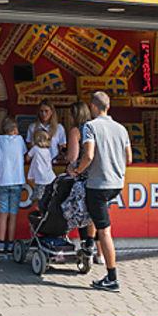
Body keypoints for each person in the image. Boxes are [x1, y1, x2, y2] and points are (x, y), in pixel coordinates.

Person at [71, 91, 131, 293]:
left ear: (93, 107)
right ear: (108, 106)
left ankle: (112, 276)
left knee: (104, 230)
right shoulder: (121, 129)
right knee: (96, 214)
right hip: (116, 183)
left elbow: (88, 155)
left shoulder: (90, 126)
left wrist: (77, 170)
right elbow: (128, 158)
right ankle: (89, 243)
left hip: (98, 183)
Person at [65, 100, 103, 264]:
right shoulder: (96, 128)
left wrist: (72, 166)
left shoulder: (76, 131)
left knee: (82, 213)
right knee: (98, 216)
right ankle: (100, 254)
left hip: (82, 177)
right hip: (98, 177)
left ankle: (85, 247)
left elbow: (73, 157)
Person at [0, 116, 26, 254]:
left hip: (3, 181)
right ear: (15, 129)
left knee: (3, 215)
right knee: (13, 215)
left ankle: (0, 244)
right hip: (17, 181)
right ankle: (10, 244)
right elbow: (24, 153)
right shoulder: (20, 140)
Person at [26, 127, 55, 204]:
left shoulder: (35, 149)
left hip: (40, 178)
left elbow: (28, 157)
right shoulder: (47, 151)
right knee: (47, 197)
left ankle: (39, 210)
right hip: (49, 177)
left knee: (39, 197)